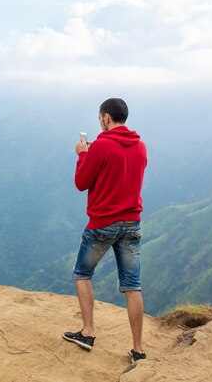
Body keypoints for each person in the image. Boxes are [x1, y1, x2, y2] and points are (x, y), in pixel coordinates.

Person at [62, 98, 148, 363]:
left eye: (100, 117)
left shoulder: (100, 147)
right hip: (132, 222)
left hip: (102, 224)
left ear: (107, 117)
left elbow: (81, 182)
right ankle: (138, 350)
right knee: (132, 286)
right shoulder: (141, 146)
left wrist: (83, 154)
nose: (100, 121)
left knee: (82, 274)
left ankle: (87, 333)